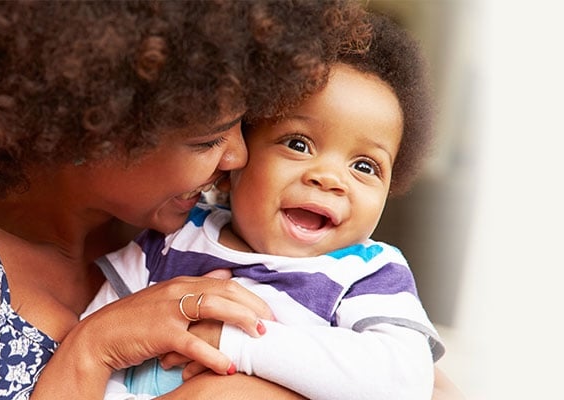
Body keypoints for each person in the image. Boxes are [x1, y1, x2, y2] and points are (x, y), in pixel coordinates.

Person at [0, 1, 463, 399]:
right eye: (206, 138)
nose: (238, 160)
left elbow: (417, 385)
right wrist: (90, 352)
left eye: (245, 127)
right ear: (93, 124)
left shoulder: (220, 230)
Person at [85, 13, 444, 400]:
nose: (328, 178)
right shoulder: (171, 240)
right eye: (298, 144)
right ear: (238, 156)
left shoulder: (368, 274)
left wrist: (240, 343)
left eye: (364, 166)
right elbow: (99, 338)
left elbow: (404, 382)